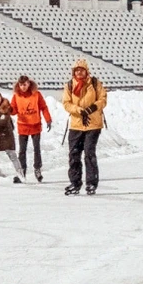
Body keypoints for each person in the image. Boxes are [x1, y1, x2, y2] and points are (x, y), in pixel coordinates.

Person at [62, 59, 107, 195]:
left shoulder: (94, 83)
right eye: (76, 70)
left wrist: (93, 107)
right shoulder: (69, 85)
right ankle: (75, 182)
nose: (79, 72)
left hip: (93, 124)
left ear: (86, 71)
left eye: (81, 70)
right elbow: (66, 103)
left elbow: (103, 99)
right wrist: (78, 110)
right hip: (76, 124)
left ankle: (91, 183)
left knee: (89, 153)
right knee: (74, 154)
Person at [10, 76, 52, 183]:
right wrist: (8, 109)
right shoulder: (16, 96)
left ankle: (37, 169)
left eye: (25, 84)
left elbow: (43, 107)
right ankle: (22, 171)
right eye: (21, 85)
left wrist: (48, 119)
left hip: (35, 125)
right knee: (22, 151)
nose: (23, 87)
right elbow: (13, 110)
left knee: (36, 149)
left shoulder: (36, 95)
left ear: (29, 84)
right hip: (23, 126)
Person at [0, 91, 24, 185]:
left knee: (12, 155)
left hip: (6, 135)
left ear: (1, 98)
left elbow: (5, 122)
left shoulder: (5, 108)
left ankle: (20, 173)